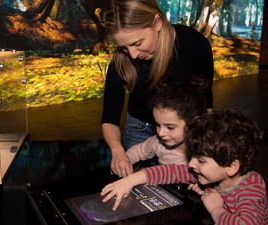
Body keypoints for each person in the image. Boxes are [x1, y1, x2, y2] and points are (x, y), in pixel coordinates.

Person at [101, 0, 214, 178]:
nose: (132, 55)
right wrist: (117, 150)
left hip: (182, 131)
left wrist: (202, 147)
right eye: (124, 47)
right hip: (138, 128)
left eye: (138, 43)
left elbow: (205, 104)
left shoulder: (194, 45)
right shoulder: (122, 61)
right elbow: (110, 117)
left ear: (158, 22)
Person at [101, 108, 268, 224]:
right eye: (193, 157)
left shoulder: (251, 188)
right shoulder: (207, 173)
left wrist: (217, 209)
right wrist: (129, 181)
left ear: (232, 167)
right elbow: (169, 171)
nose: (192, 164)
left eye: (201, 160)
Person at [125, 82, 207, 170]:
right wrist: (123, 161)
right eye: (157, 125)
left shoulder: (206, 151)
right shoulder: (158, 143)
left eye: (170, 127)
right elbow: (137, 152)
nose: (160, 133)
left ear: (194, 124)